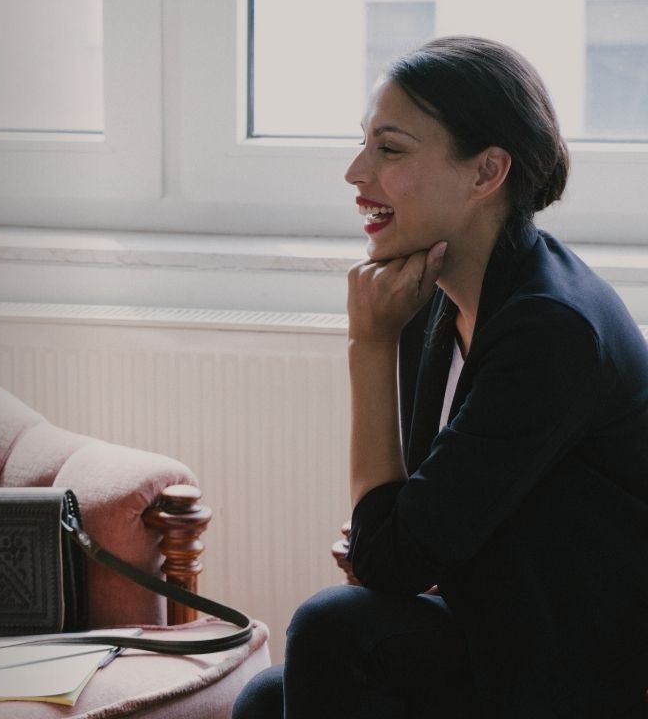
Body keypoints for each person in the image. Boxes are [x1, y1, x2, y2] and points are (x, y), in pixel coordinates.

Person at [233, 36, 648, 719]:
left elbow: (393, 558)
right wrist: (392, 539)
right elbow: (404, 535)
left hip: (560, 663)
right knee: (262, 701)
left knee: (332, 629)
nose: (355, 173)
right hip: (489, 621)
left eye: (389, 150)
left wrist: (368, 347)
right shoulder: (439, 292)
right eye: (363, 144)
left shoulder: (552, 328)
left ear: (487, 172)